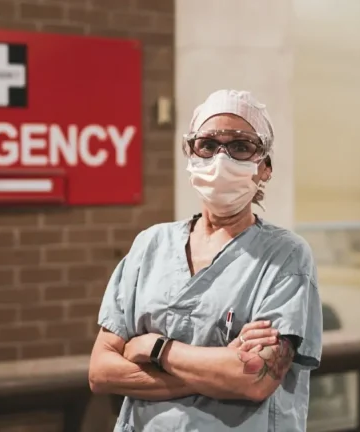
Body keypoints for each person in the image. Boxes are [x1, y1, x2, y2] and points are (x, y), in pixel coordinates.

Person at [88, 89, 323, 431]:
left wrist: (155, 349)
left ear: (265, 168)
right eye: (208, 145)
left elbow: (255, 379)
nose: (221, 159)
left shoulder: (286, 257)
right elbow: (100, 370)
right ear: (191, 155)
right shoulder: (151, 245)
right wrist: (219, 371)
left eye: (241, 146)